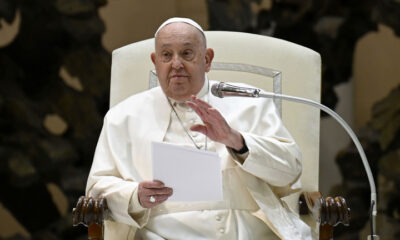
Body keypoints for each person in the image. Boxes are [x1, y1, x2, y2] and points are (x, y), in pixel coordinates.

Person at [86, 17, 313, 239]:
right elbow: (96, 189)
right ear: (155, 62)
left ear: (207, 59)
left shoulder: (251, 102)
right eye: (166, 55)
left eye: (186, 53)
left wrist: (237, 141)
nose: (176, 64)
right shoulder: (123, 116)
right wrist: (135, 197)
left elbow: (290, 170)